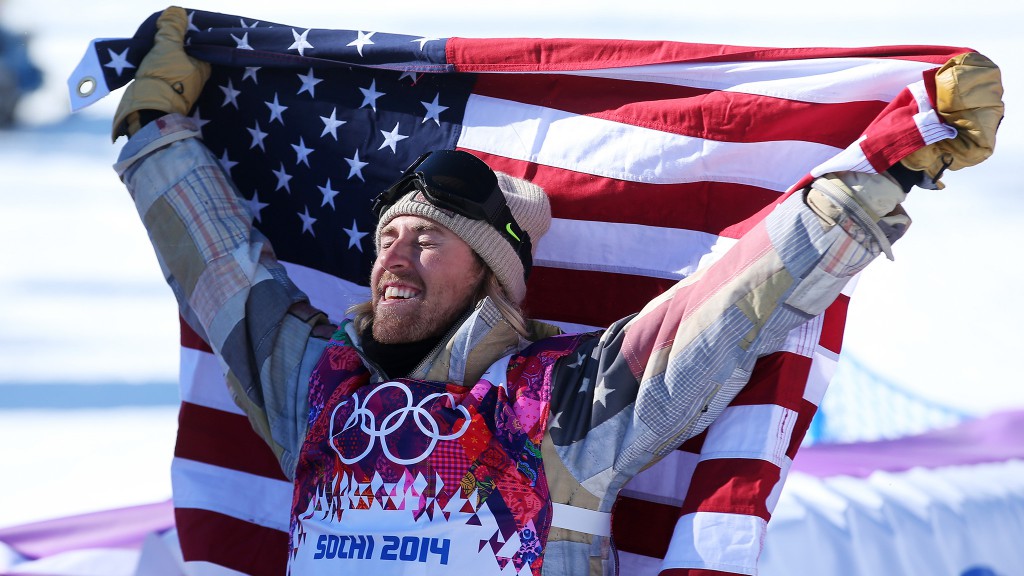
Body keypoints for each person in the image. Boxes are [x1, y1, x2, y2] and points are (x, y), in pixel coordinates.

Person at [111, 7, 1003, 576]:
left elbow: (732, 304)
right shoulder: (316, 389)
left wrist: (884, 167)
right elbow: (221, 271)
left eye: (429, 240)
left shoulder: (558, 403)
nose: (397, 255)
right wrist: (154, 131)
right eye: (387, 238)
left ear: (491, 277)